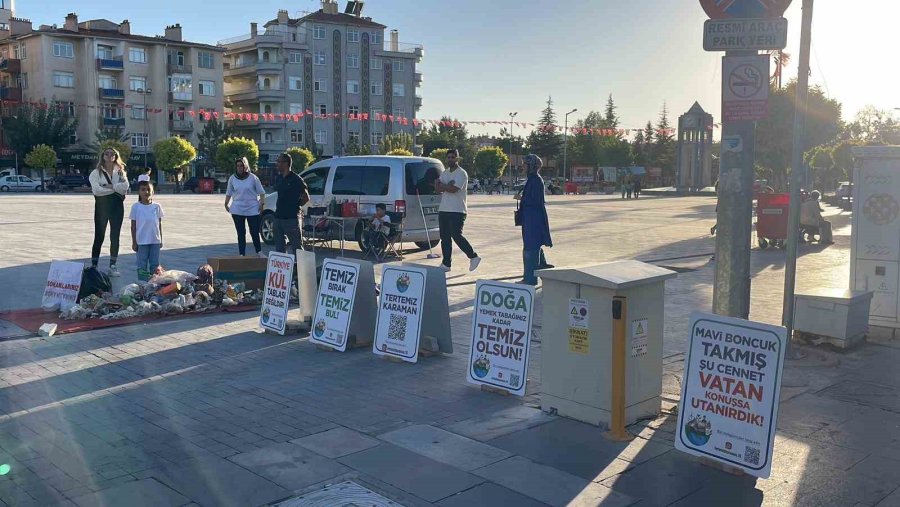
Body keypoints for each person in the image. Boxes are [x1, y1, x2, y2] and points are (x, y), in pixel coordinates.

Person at [436, 149, 481, 272]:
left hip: (457, 210)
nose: (450, 159)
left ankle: (473, 256)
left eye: (453, 157)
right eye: (449, 157)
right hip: (444, 209)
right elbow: (438, 189)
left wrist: (445, 186)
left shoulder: (461, 173)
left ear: (457, 158)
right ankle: (446, 264)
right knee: (444, 237)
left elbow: (453, 189)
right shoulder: (445, 173)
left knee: (456, 235)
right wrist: (444, 186)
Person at [89, 148, 130, 276]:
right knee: (99, 236)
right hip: (102, 206)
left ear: (116, 156)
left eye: (112, 154)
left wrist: (110, 187)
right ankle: (94, 266)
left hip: (117, 207)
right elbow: (96, 190)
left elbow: (125, 187)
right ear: (103, 156)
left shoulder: (121, 172)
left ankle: (113, 265)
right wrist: (115, 189)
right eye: (107, 153)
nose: (109, 155)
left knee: (115, 236)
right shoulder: (96, 173)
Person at [516, 154, 554, 286]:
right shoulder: (532, 179)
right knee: (533, 244)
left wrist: (522, 198)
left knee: (531, 246)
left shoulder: (536, 180)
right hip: (530, 217)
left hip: (533, 218)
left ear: (531, 166)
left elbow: (536, 200)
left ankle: (530, 278)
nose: (523, 166)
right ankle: (541, 267)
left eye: (525, 164)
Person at [225, 157, 266, 257]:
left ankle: (259, 252)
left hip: (252, 208)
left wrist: (261, 205)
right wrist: (226, 203)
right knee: (241, 232)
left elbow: (262, 193)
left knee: (254, 231)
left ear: (245, 166)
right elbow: (229, 192)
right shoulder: (232, 178)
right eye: (238, 166)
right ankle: (242, 254)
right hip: (237, 208)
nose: (239, 168)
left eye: (241, 165)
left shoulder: (253, 178)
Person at [273, 153, 310, 253]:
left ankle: (299, 267)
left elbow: (306, 197)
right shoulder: (279, 178)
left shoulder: (296, 180)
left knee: (297, 247)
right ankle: (282, 267)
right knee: (279, 247)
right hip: (278, 217)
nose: (277, 164)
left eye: (279, 162)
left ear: (286, 163)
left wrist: (295, 206)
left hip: (291, 219)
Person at [130, 181, 164, 281]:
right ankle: (143, 285)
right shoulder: (136, 207)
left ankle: (154, 284)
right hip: (141, 242)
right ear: (139, 192)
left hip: (155, 241)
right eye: (143, 189)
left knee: (155, 265)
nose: (146, 192)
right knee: (142, 265)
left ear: (153, 191)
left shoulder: (157, 207)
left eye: (149, 189)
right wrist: (134, 242)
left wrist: (160, 239)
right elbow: (133, 226)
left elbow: (159, 223)